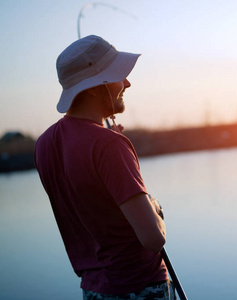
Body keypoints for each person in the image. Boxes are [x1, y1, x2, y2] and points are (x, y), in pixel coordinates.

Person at [34, 35, 175, 300]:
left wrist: (114, 151)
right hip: (139, 288)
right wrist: (155, 207)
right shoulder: (109, 146)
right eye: (119, 75)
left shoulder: (43, 145)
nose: (127, 82)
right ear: (98, 86)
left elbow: (91, 204)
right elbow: (153, 239)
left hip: (94, 291)